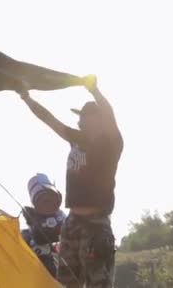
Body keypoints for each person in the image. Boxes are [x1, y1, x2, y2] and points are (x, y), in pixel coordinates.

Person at [17, 75, 123, 288]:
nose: (78, 121)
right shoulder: (76, 139)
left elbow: (110, 116)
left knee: (98, 284)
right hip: (72, 223)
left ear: (97, 119)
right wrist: (26, 98)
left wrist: (95, 91)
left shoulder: (111, 144)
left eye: (83, 117)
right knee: (65, 284)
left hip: (96, 227)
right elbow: (49, 120)